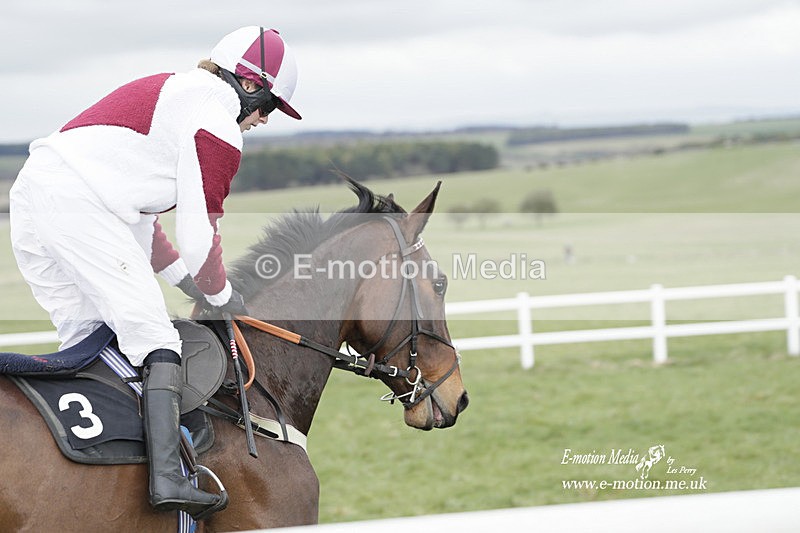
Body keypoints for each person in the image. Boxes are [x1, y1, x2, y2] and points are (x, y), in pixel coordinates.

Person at [9, 26, 301, 519]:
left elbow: (146, 232)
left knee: (94, 336)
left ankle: (93, 468)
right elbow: (198, 233)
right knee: (154, 337)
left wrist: (189, 284)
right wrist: (221, 291)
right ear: (250, 86)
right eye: (269, 106)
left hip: (38, 199)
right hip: (76, 206)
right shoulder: (218, 123)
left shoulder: (179, 95)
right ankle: (168, 478)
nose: (265, 120)